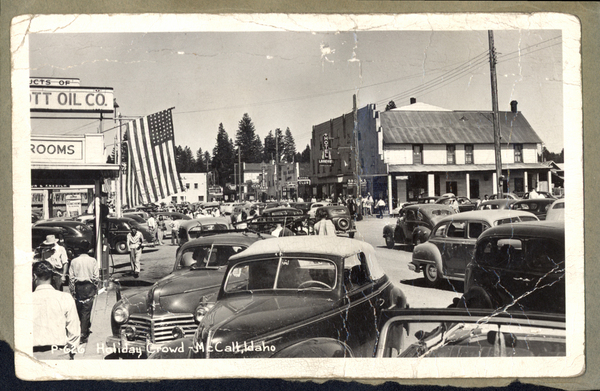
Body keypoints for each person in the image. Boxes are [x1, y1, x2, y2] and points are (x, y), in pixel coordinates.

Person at [32, 260, 80, 360]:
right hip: (60, 353)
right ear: (52, 276)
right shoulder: (65, 298)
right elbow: (74, 330)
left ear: (34, 276)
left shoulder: (24, 300)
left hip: (33, 355)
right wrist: (71, 351)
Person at [68, 244, 99, 344]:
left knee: (79, 309)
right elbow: (96, 277)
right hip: (89, 286)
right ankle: (83, 334)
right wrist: (96, 287)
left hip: (78, 287)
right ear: (88, 250)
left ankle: (81, 329)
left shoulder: (74, 261)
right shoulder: (93, 261)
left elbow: (71, 278)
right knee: (86, 310)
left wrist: (72, 290)